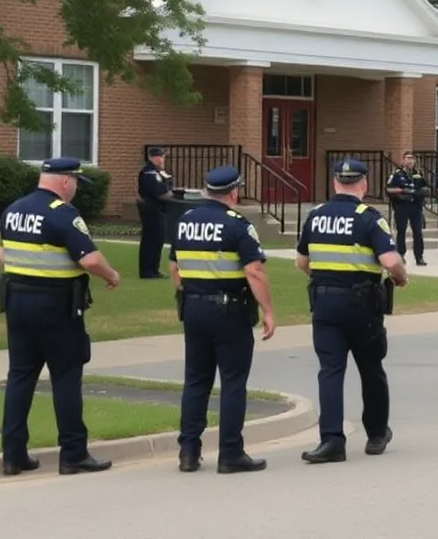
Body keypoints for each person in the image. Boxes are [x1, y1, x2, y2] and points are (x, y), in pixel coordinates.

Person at [0, 157, 121, 476]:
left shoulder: (15, 209)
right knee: (66, 376)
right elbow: (90, 259)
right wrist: (111, 275)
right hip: (55, 306)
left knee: (20, 376)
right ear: (65, 181)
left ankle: (13, 455)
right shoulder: (63, 214)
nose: (77, 188)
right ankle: (74, 453)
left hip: (16, 302)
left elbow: (3, 252)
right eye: (76, 182)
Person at [296, 158, 409, 463]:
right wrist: (401, 278)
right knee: (370, 368)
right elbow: (389, 261)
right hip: (362, 305)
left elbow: (302, 262)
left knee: (330, 371)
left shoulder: (315, 216)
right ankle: (376, 434)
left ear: (335, 183)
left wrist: (328, 282)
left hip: (324, 303)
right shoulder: (369, 218)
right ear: (364, 183)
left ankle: (332, 441)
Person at [170, 165, 276, 474]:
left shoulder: (185, 221)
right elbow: (254, 271)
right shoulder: (237, 224)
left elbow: (174, 268)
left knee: (196, 381)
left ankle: (188, 452)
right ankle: (230, 453)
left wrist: (188, 297)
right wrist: (268, 310)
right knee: (232, 382)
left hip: (193, 308)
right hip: (229, 312)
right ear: (233, 192)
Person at [386, 150, 429, 266]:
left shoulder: (418, 174)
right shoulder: (397, 174)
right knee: (401, 232)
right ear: (403, 160)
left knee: (418, 232)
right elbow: (389, 189)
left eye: (412, 159)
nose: (410, 161)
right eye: (408, 158)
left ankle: (419, 257)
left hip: (416, 207)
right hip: (402, 206)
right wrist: (402, 190)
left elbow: (426, 188)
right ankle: (400, 255)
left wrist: (419, 192)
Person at [137, 146, 175, 279]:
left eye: (163, 156)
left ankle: (154, 269)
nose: (162, 159)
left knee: (157, 240)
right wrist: (172, 194)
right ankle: (147, 271)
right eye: (160, 156)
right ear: (151, 157)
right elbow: (160, 192)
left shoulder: (159, 172)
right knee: (151, 240)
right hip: (151, 210)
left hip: (159, 210)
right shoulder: (149, 173)